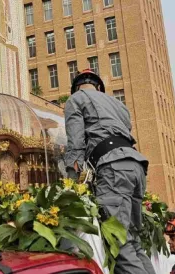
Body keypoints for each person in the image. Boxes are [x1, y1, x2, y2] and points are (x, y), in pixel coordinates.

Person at [63, 69, 154, 274]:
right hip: (135, 165)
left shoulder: (76, 99)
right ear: (99, 87)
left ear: (76, 88)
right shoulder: (120, 105)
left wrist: (73, 188)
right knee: (133, 241)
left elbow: (76, 147)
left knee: (119, 242)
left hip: (113, 168)